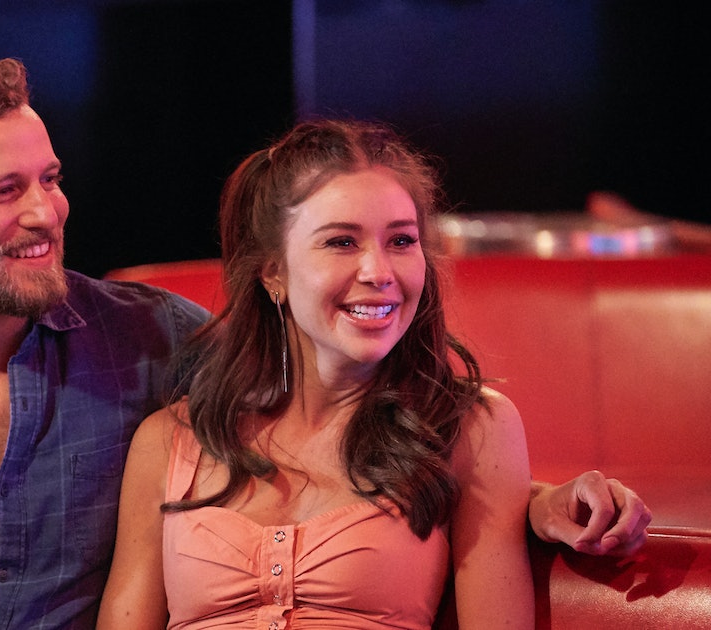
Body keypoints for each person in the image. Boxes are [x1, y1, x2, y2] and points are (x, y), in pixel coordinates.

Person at [0, 57, 651, 629]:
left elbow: (339, 411)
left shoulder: (152, 340)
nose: (47, 212)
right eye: (4, 191)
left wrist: (530, 501)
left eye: (51, 178)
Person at [95, 118, 636, 629]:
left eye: (401, 241)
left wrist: (536, 501)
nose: (379, 271)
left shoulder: (473, 430)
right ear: (273, 271)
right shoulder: (168, 441)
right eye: (342, 242)